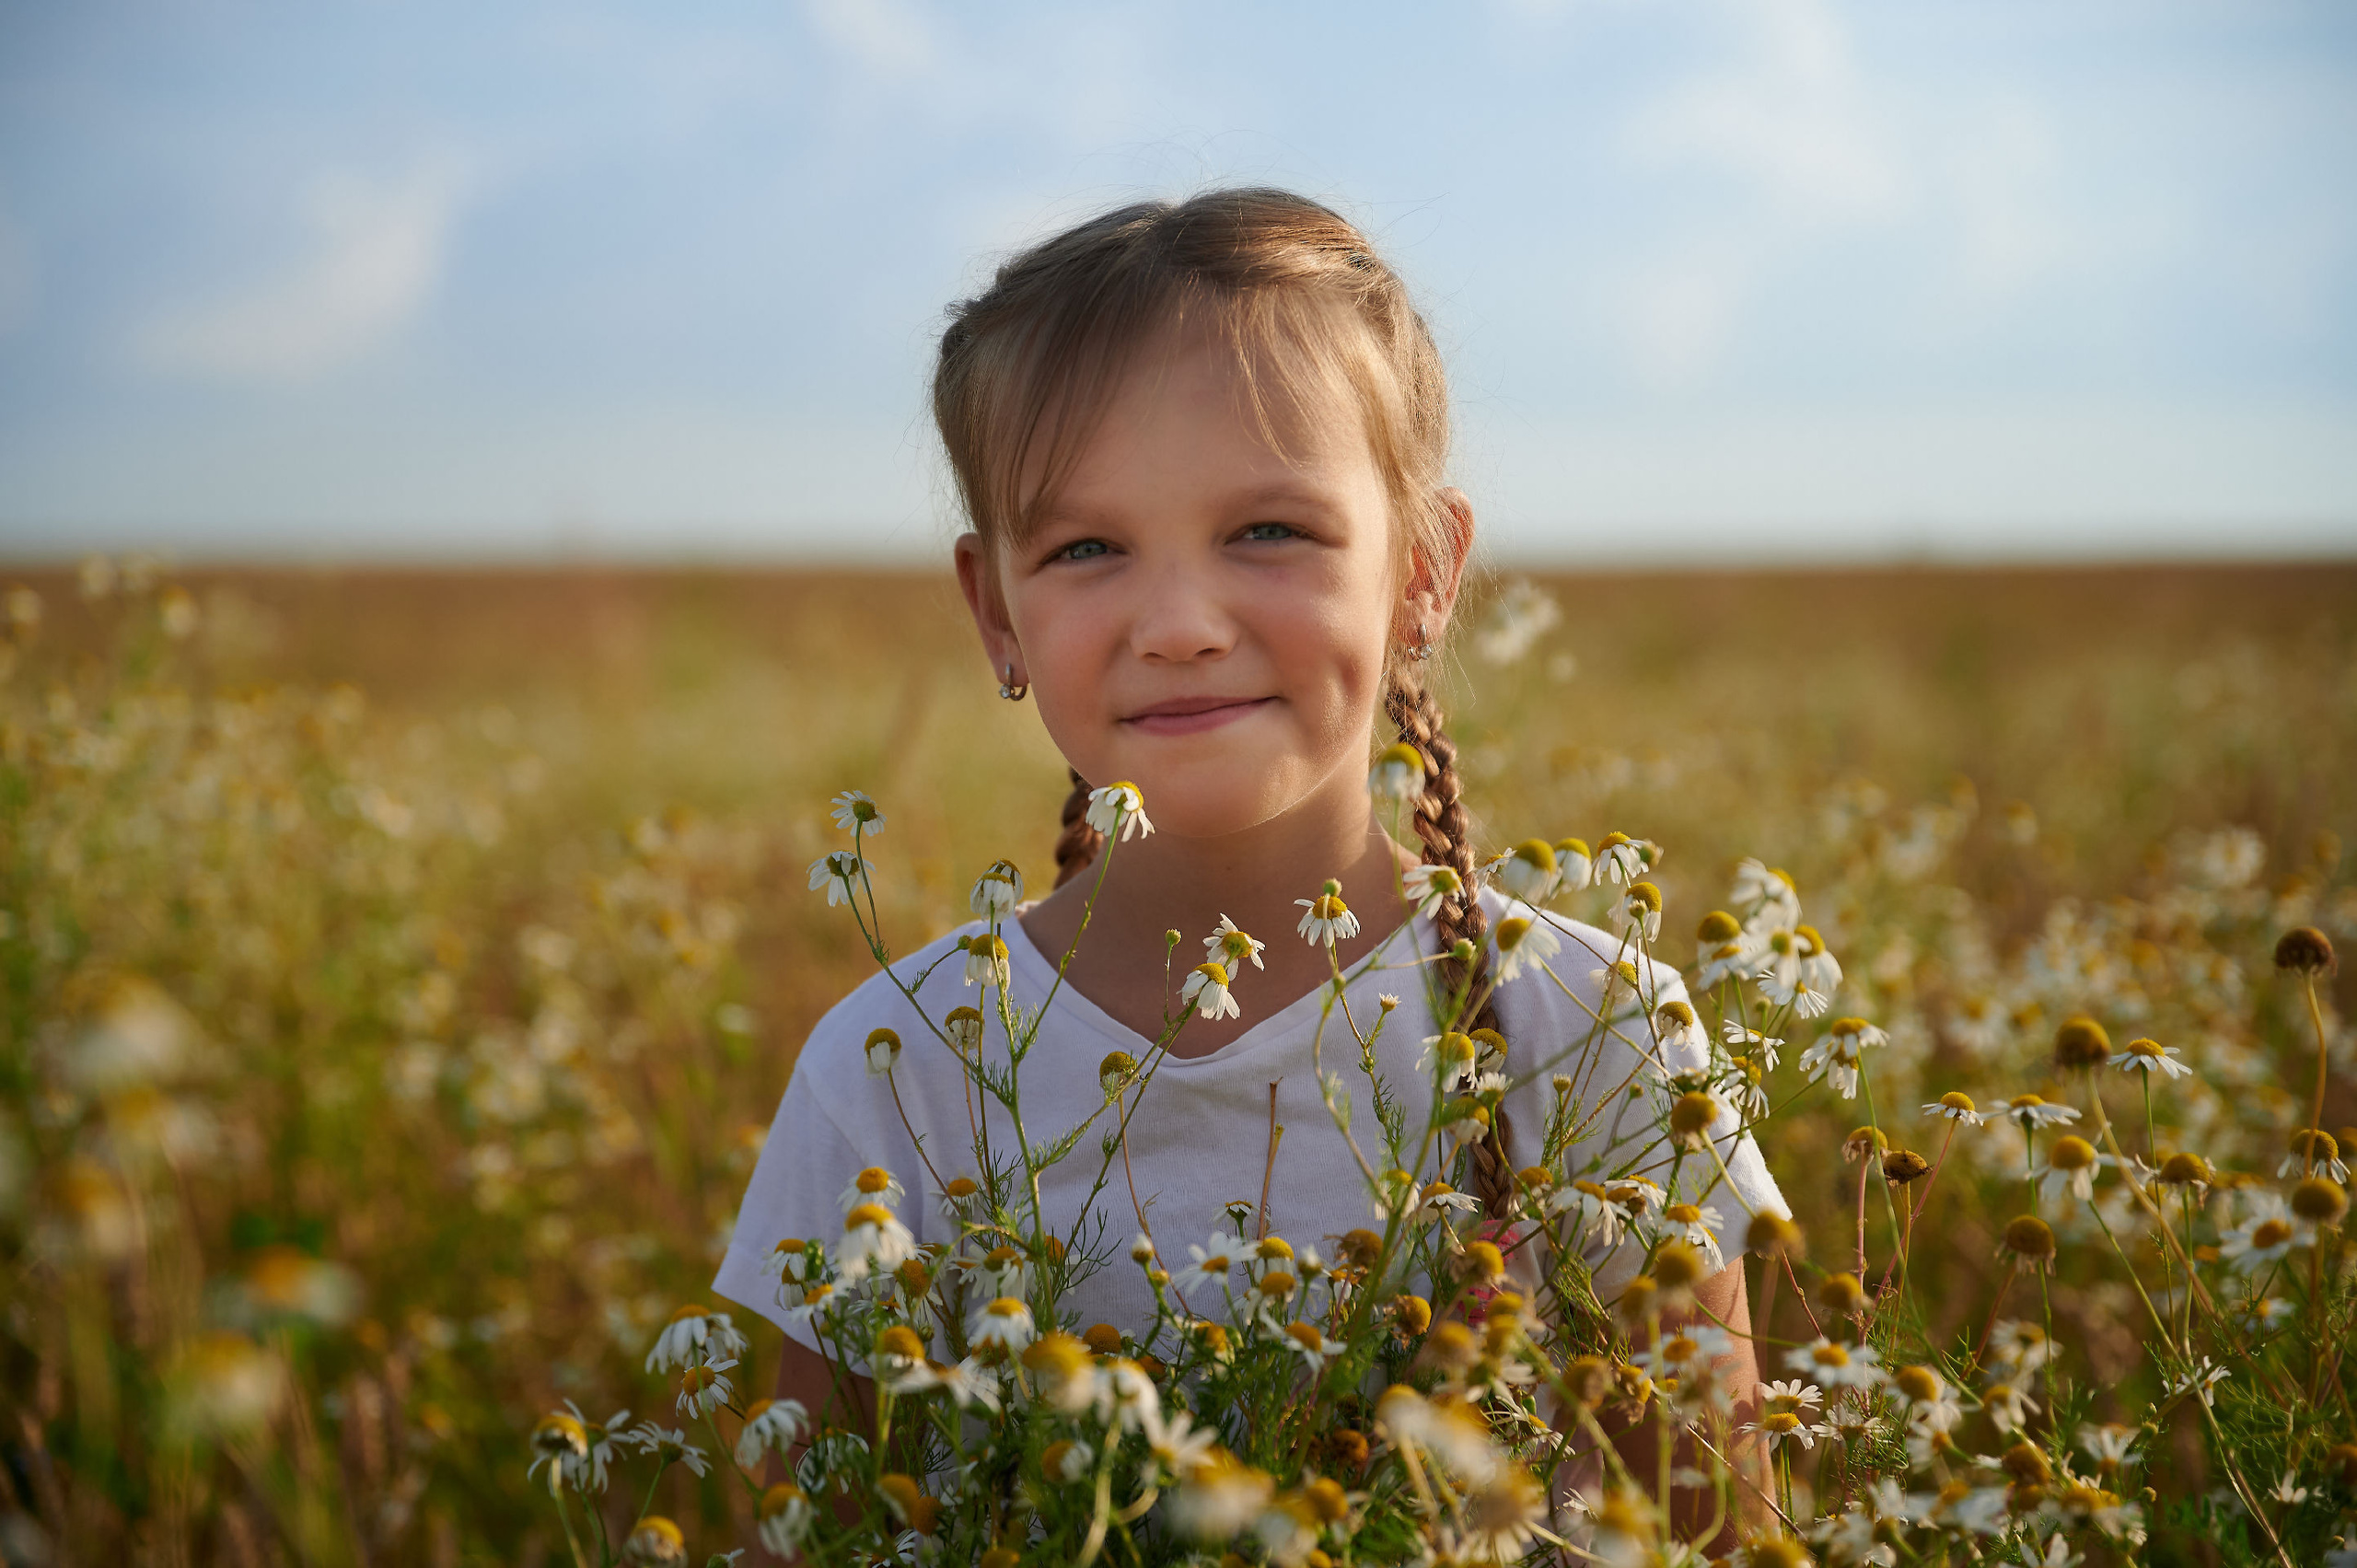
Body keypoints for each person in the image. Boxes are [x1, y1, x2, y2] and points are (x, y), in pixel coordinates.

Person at [714, 187, 1783, 1543]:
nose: (1178, 624)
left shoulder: (1589, 1032)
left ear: (1423, 573)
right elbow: (815, 1532)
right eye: (1087, 548)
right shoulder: (902, 1066)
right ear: (998, 614)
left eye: (1267, 531)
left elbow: (1720, 1535)